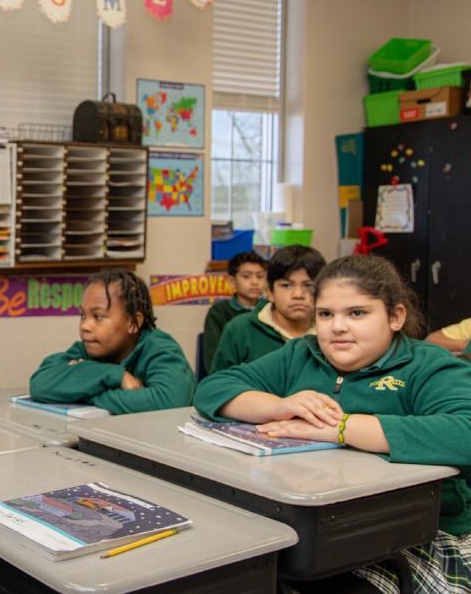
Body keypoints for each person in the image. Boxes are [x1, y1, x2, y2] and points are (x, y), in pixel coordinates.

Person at [194, 254, 471, 594]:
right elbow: (211, 389)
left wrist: (341, 428)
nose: (337, 327)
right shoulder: (301, 354)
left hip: (416, 532)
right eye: (325, 314)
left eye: (357, 313)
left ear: (396, 316)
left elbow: (465, 432)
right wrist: (279, 405)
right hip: (312, 524)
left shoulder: (427, 366)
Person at [29, 269, 194, 414]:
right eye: (83, 315)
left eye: (98, 316)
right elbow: (40, 384)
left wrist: (81, 391)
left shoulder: (160, 349)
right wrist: (116, 375)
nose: (85, 326)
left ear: (132, 323)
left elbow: (169, 402)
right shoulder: (87, 349)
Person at [210, 244, 325, 373]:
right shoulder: (239, 329)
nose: (298, 294)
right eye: (286, 285)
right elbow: (217, 387)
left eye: (309, 285)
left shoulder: (333, 330)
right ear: (270, 292)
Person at [202, 251, 268, 375]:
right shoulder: (219, 312)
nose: (255, 282)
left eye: (260, 276)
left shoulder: (269, 310)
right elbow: (213, 360)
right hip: (234, 378)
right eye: (246, 276)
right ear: (232, 281)